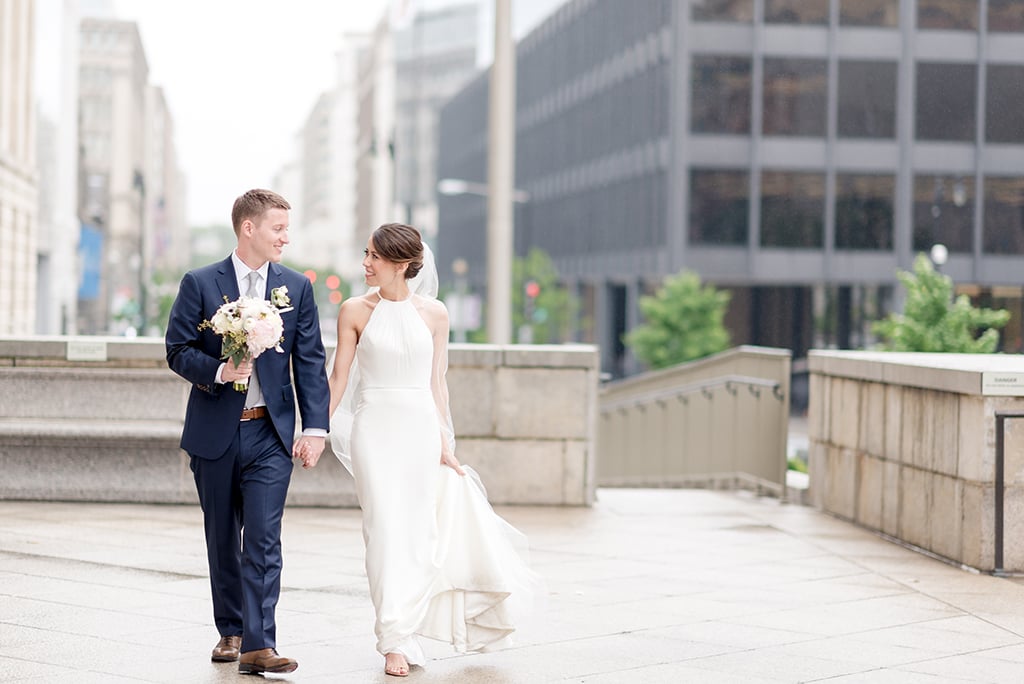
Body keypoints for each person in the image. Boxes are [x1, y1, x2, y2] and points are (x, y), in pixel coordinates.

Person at [299, 223, 544, 677]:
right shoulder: (355, 310)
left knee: (419, 535)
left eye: (373, 256)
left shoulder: (435, 314)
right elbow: (338, 379)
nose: (365, 264)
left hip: (419, 431)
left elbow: (438, 385)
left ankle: (406, 630)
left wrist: (446, 444)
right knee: (384, 530)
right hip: (374, 429)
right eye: (365, 254)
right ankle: (393, 639)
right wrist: (315, 430)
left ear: (400, 263)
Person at [165, 188, 330, 675]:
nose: (286, 236)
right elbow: (177, 349)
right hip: (216, 431)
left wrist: (315, 428)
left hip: (271, 436)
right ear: (249, 228)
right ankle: (231, 631)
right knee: (222, 536)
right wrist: (220, 370)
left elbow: (311, 360)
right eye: (278, 228)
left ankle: (260, 643)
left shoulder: (296, 287)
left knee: (262, 537)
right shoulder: (200, 282)